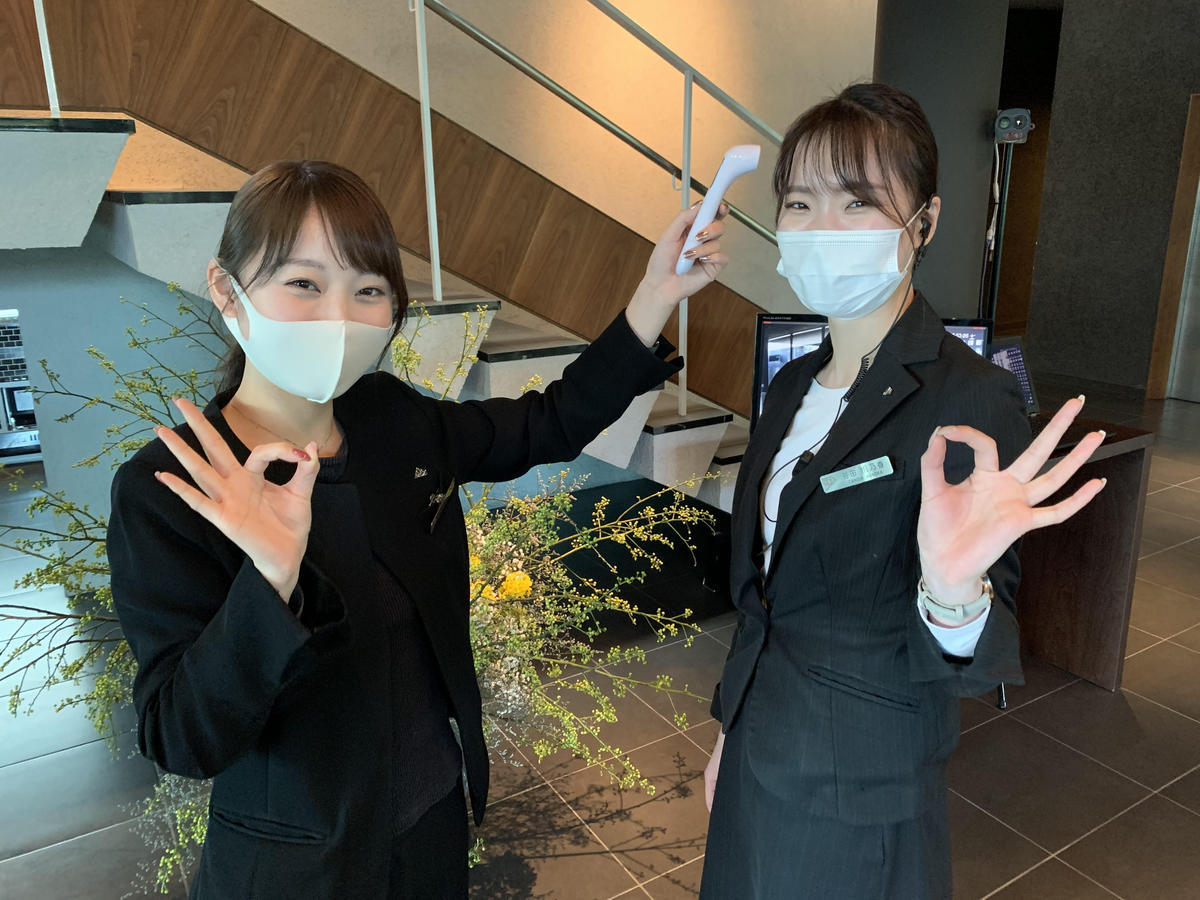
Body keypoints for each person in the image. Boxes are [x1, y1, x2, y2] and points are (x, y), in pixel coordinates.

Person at [105, 160, 728, 899]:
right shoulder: (172, 489)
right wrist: (270, 579)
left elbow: (548, 422)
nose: (338, 315)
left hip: (431, 823)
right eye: (303, 283)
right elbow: (182, 738)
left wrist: (656, 294)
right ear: (225, 289)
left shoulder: (390, 417)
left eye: (368, 291)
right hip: (300, 866)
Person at [698, 83, 1107, 899]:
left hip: (857, 796)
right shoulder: (792, 388)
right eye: (800, 203)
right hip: (757, 749)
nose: (822, 227)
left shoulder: (969, 399)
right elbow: (767, 598)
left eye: (857, 202)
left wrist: (954, 595)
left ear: (924, 222)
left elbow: (976, 657)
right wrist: (729, 734)